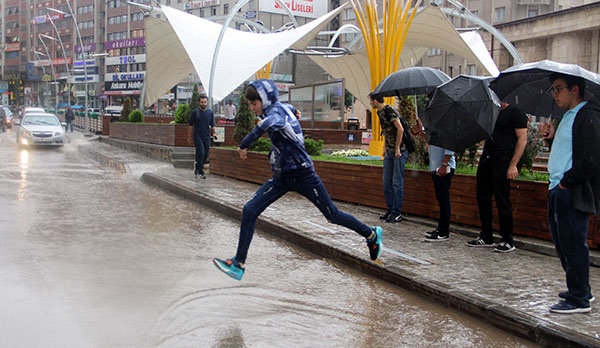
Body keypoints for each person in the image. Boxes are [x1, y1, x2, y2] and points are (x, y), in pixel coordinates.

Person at [213, 79, 383, 281]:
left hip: (303, 175)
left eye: (254, 104)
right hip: (281, 177)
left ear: (265, 100)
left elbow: (266, 124)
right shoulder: (281, 108)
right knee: (250, 210)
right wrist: (294, 110)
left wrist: (245, 143)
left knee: (332, 215)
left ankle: (371, 235)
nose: (252, 109)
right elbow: (288, 108)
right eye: (251, 104)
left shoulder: (274, 115)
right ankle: (239, 264)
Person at [541, 73, 599, 314]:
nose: (554, 95)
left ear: (574, 89)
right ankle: (580, 288)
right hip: (558, 187)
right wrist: (550, 139)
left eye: (558, 89)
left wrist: (567, 182)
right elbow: (566, 152)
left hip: (571, 191)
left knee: (573, 243)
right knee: (562, 243)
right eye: (553, 90)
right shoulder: (568, 116)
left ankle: (578, 299)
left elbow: (592, 157)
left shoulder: (588, 116)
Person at [467, 101, 528, 252]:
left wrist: (513, 164)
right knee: (482, 197)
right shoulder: (493, 112)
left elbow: (522, 139)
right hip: (487, 157)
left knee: (502, 199)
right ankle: (486, 235)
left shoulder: (516, 112)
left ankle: (507, 239)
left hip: (503, 159)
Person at [368, 93, 407, 223]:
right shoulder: (380, 113)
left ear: (374, 100)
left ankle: (397, 212)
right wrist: (385, 147)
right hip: (390, 150)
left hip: (399, 151)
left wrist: (397, 148)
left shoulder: (389, 110)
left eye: (370, 101)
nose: (370, 104)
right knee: (386, 181)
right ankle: (390, 209)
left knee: (397, 181)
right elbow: (386, 131)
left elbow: (400, 129)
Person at [424, 143, 456, 241]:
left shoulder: (446, 130)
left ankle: (444, 231)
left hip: (444, 168)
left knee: (444, 200)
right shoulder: (436, 129)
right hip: (436, 167)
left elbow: (450, 147)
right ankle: (440, 228)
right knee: (440, 199)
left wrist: (444, 164)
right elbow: (431, 142)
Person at [188, 95, 216, 179]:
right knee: (201, 152)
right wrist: (189, 136)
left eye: (205, 102)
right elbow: (190, 125)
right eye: (202, 102)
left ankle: (197, 166)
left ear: (207, 102)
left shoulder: (210, 112)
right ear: (199, 102)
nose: (203, 104)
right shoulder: (195, 112)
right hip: (197, 136)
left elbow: (213, 124)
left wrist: (214, 133)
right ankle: (200, 172)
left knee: (206, 154)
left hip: (206, 136)